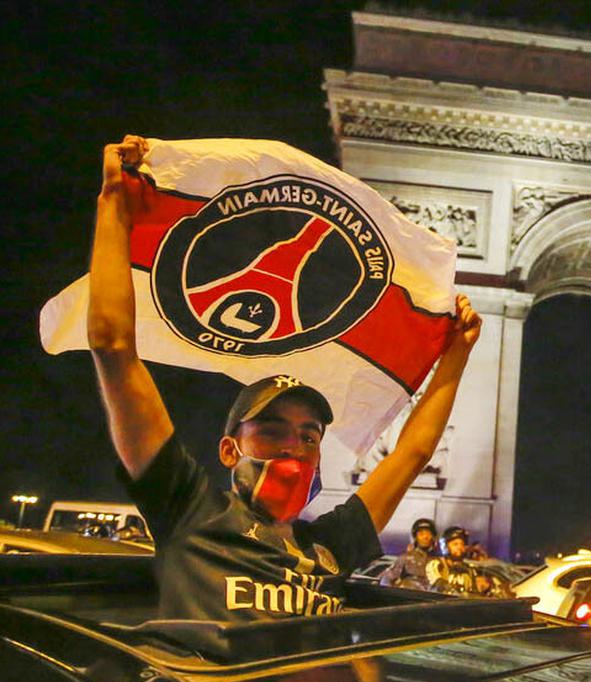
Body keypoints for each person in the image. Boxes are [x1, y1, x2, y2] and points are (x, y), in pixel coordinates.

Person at [88, 136, 482, 621]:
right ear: (229, 449)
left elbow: (413, 453)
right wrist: (113, 209)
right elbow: (114, 350)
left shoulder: (334, 543)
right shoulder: (189, 511)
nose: (294, 446)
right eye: (272, 429)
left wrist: (457, 354)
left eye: (309, 435)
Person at [379, 518, 439, 589]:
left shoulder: (438, 562)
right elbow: (386, 580)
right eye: (421, 534)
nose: (425, 537)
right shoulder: (406, 558)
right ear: (415, 537)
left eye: (428, 533)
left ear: (433, 536)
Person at [426, 526, 480, 595]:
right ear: (445, 546)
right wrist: (452, 590)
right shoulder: (436, 565)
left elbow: (474, 593)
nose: (459, 547)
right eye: (455, 544)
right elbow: (438, 583)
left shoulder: (469, 570)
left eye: (462, 544)